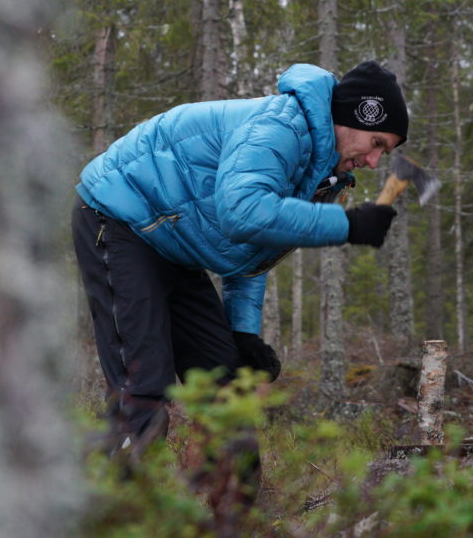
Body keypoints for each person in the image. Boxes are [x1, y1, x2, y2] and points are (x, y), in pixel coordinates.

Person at [72, 61, 408, 450]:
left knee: (227, 394)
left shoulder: (320, 167)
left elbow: (253, 245)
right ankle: (97, 505)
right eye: (377, 144)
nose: (373, 162)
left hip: (173, 243)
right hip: (118, 217)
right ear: (353, 118)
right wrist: (347, 225)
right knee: (142, 392)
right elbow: (242, 213)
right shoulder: (279, 129)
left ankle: (236, 511)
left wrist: (243, 332)